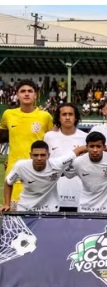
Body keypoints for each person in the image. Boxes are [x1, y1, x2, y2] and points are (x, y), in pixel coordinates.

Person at [0, 79, 54, 209]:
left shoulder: (45, 116)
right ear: (17, 95)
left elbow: (52, 141)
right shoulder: (8, 114)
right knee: (13, 211)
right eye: (22, 91)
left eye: (30, 91)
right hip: (15, 171)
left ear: (36, 95)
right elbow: (2, 136)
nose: (26, 94)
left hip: (38, 170)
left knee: (38, 214)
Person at [2, 140, 86, 212]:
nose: (39, 158)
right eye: (35, 155)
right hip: (25, 209)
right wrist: (7, 204)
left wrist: (95, 149)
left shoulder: (58, 164)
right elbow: (8, 182)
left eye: (42, 155)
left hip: (50, 210)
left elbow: (78, 150)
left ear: (48, 155)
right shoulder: (21, 166)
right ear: (30, 155)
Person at [64, 132, 107, 213]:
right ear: (86, 147)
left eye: (98, 146)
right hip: (85, 209)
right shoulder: (78, 162)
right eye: (91, 146)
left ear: (104, 147)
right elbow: (65, 171)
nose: (95, 150)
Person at [43, 103, 87, 212]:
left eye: (70, 114)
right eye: (64, 114)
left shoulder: (85, 137)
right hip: (55, 189)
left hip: (78, 189)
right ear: (58, 117)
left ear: (76, 117)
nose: (67, 117)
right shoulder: (49, 137)